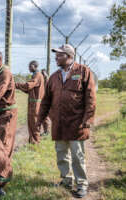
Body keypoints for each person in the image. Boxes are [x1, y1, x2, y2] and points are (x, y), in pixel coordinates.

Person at [36, 44, 96, 198]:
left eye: (59, 55)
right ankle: (66, 180)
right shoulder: (54, 76)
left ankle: (81, 184)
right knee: (61, 154)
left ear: (69, 56)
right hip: (59, 123)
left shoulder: (83, 71)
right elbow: (46, 101)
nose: (56, 57)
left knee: (77, 155)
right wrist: (40, 119)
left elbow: (90, 98)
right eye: (56, 55)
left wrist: (88, 119)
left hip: (77, 123)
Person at [15, 60, 45, 144]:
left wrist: (16, 85)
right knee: (31, 122)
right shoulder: (35, 75)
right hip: (33, 103)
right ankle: (32, 141)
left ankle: (35, 142)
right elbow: (29, 89)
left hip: (35, 104)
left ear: (34, 66)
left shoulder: (38, 76)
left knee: (34, 123)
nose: (28, 68)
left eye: (30, 66)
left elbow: (28, 85)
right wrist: (21, 88)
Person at [40, 69, 51, 136]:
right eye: (42, 73)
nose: (43, 75)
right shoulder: (43, 80)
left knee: (46, 117)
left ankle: (47, 132)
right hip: (42, 100)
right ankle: (45, 131)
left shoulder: (48, 80)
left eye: (44, 73)